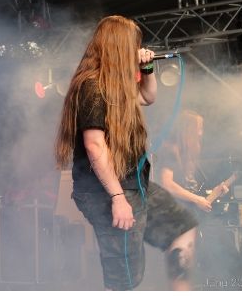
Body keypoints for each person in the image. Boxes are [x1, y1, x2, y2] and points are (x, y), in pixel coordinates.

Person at [54, 15, 198, 290]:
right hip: (107, 191)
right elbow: (94, 145)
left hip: (134, 183)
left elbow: (148, 97)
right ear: (119, 46)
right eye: (133, 44)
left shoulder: (117, 85)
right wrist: (118, 198)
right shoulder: (92, 86)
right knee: (125, 277)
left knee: (181, 226)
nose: (137, 49)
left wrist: (148, 68)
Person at [158, 110, 229, 214]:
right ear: (187, 130)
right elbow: (166, 184)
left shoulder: (189, 155)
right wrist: (197, 199)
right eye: (198, 128)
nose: (201, 133)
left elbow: (191, 191)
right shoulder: (171, 150)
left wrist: (214, 193)